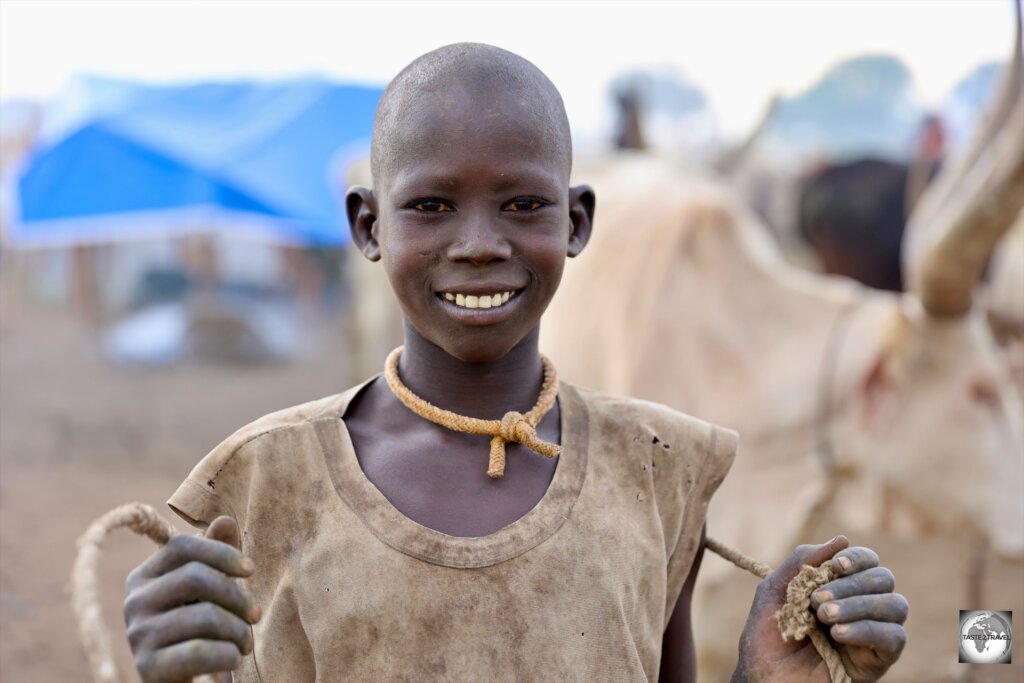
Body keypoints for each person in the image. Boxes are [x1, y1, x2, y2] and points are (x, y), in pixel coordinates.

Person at [122, 43, 908, 682]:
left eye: (523, 204)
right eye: (431, 205)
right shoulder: (265, 480)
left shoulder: (657, 466)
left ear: (576, 221)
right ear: (368, 226)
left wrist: (764, 674)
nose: (479, 243)